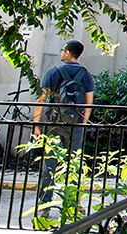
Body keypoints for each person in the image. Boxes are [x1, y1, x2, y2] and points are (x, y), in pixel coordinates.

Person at [31, 40, 94, 208]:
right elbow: (89, 103)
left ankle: (44, 203)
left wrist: (36, 125)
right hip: (77, 124)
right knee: (74, 164)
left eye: (62, 50)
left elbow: (41, 99)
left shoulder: (53, 72)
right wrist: (83, 123)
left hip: (54, 123)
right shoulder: (85, 74)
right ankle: (72, 203)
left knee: (49, 163)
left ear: (67, 52)